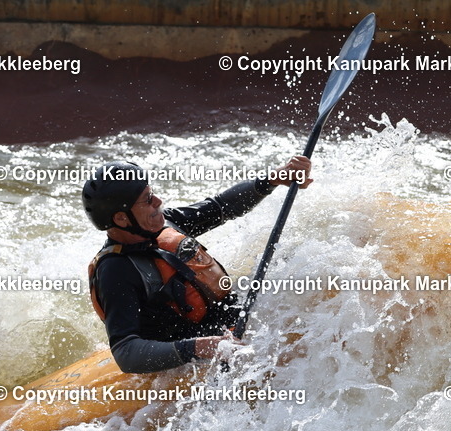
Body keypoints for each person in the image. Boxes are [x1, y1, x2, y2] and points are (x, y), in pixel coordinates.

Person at [83, 157, 312, 374]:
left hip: (228, 327)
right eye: (147, 200)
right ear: (122, 219)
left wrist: (273, 179)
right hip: (189, 359)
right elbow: (125, 352)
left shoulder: (163, 224)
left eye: (151, 193)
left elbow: (221, 207)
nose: (158, 202)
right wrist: (199, 347)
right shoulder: (115, 271)